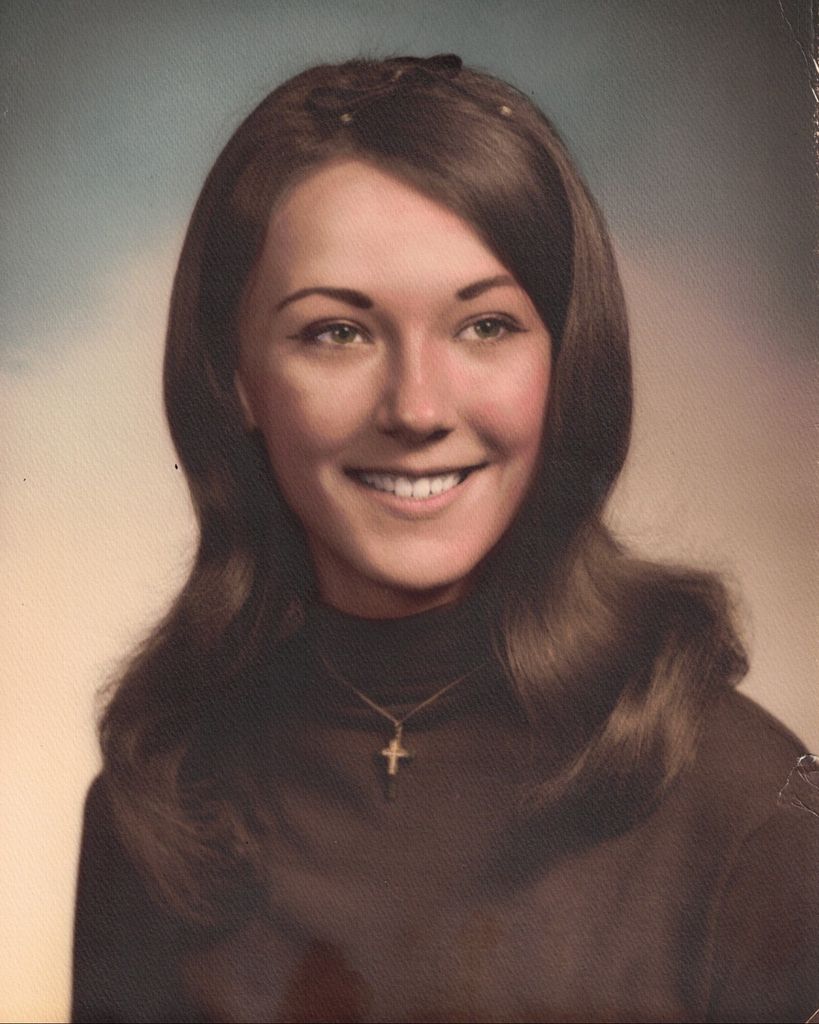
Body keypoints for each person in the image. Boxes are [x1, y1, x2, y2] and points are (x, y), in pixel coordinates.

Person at [71, 55, 818, 1023]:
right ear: (236, 378)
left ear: (563, 361)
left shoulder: (747, 809)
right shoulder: (160, 804)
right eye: (337, 332)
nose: (417, 409)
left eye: (485, 326)